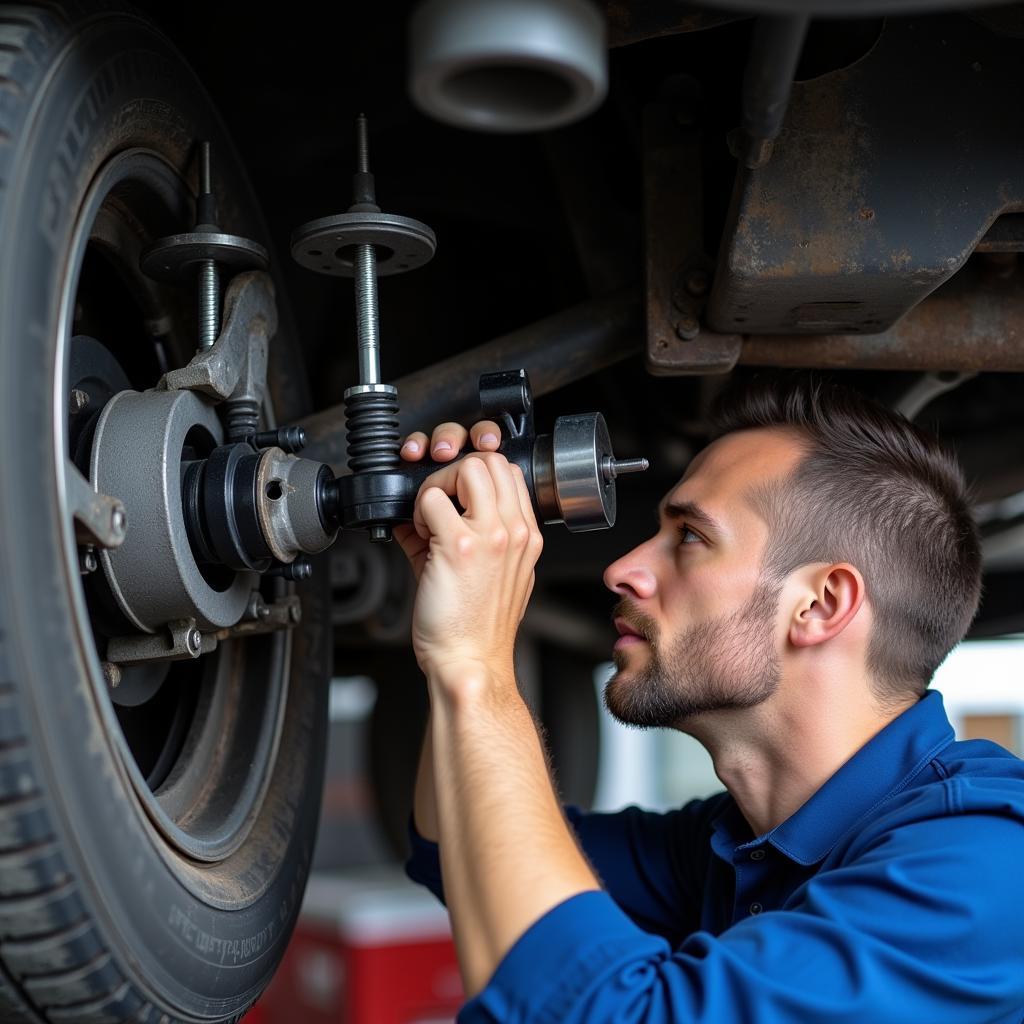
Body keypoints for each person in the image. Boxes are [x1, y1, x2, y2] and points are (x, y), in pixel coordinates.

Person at [393, 375, 1024, 1024]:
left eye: (689, 537)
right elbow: (456, 848)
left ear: (820, 606)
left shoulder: (982, 874)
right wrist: (450, 614)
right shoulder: (737, 843)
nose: (622, 569)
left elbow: (597, 1013)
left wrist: (476, 666)